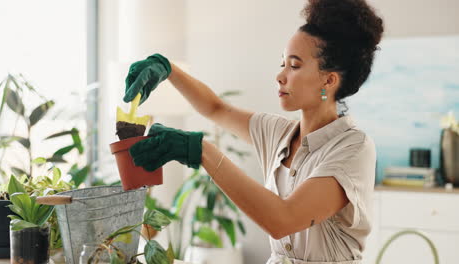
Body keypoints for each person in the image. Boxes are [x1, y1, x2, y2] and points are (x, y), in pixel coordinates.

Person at [125, 0, 384, 263]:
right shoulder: (277, 132)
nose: (280, 76)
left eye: (294, 66)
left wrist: (203, 151)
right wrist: (167, 68)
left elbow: (284, 219)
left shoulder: (354, 148)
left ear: (328, 81)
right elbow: (216, 109)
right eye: (282, 63)